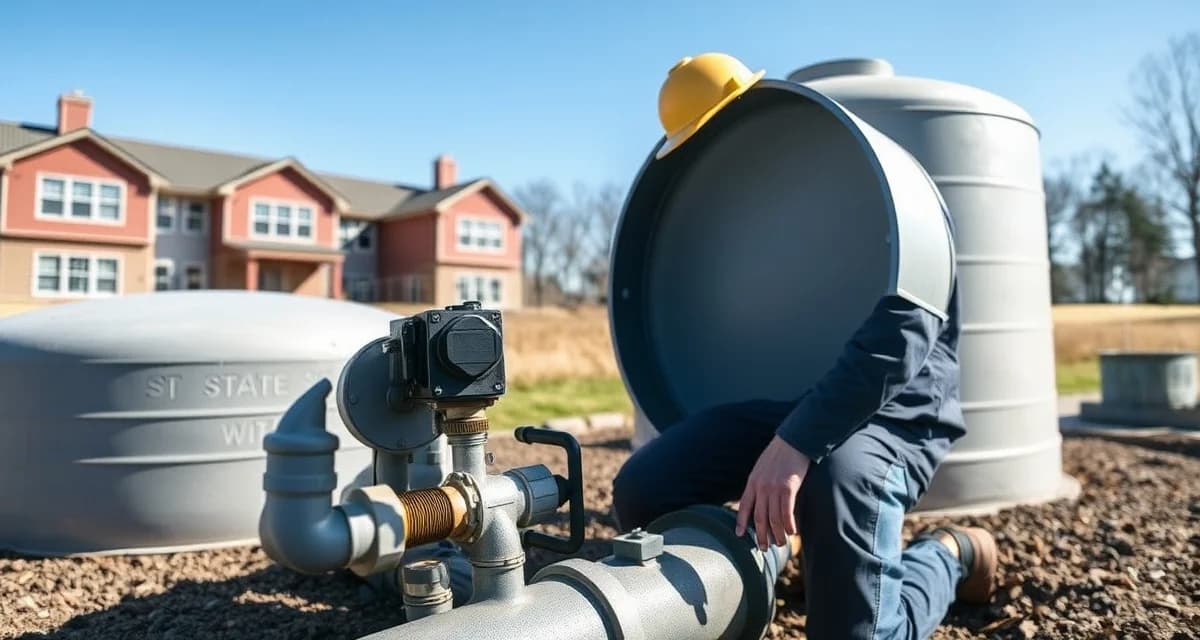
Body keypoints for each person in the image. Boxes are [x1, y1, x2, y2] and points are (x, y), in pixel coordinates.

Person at [611, 53, 998, 640]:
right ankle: (766, 559)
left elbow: (903, 332)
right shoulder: (752, 208)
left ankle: (947, 556)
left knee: (854, 606)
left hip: (893, 413)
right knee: (644, 488)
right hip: (795, 403)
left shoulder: (875, 179)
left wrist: (795, 444)